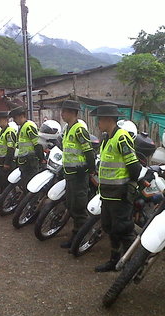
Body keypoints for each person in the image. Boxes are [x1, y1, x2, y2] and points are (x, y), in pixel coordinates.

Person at [91, 105, 142, 272]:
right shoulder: (107, 138)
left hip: (120, 194)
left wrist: (130, 186)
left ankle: (133, 266)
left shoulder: (121, 137)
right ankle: (114, 260)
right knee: (110, 228)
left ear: (108, 120)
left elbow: (135, 167)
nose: (98, 123)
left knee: (124, 229)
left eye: (100, 119)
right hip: (107, 194)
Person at [59, 100, 96, 249]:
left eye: (65, 112)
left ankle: (82, 237)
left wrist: (88, 169)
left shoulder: (79, 129)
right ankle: (76, 234)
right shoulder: (68, 128)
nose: (62, 114)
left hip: (79, 175)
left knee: (79, 208)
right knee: (71, 205)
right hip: (70, 173)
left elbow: (88, 152)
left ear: (73, 113)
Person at [9, 106, 46, 191]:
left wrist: (42, 159)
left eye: (15, 118)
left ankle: (34, 202)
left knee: (31, 183)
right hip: (24, 161)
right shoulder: (21, 127)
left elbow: (37, 144)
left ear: (21, 116)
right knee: (25, 183)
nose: (14, 120)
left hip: (31, 161)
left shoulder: (29, 126)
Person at [0, 111, 17, 189]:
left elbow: (11, 149)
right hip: (0, 162)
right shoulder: (2, 131)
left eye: (0, 120)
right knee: (2, 182)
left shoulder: (9, 132)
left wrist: (7, 163)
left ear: (6, 120)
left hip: (5, 162)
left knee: (6, 184)